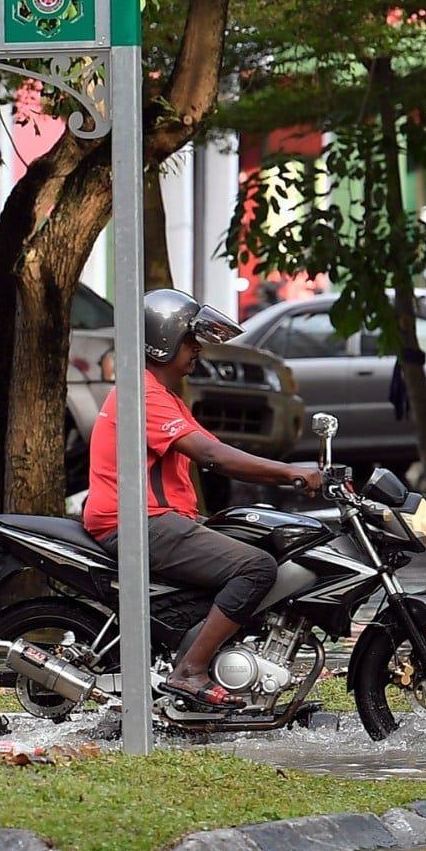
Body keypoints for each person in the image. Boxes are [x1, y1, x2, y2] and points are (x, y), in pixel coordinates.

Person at [83, 288, 323, 710]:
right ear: (163, 340)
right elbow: (214, 456)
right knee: (256, 567)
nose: (197, 350)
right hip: (139, 522)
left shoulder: (158, 394)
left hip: (156, 519)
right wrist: (292, 473)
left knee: (259, 543)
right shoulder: (145, 396)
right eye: (190, 340)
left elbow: (216, 450)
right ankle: (189, 670)